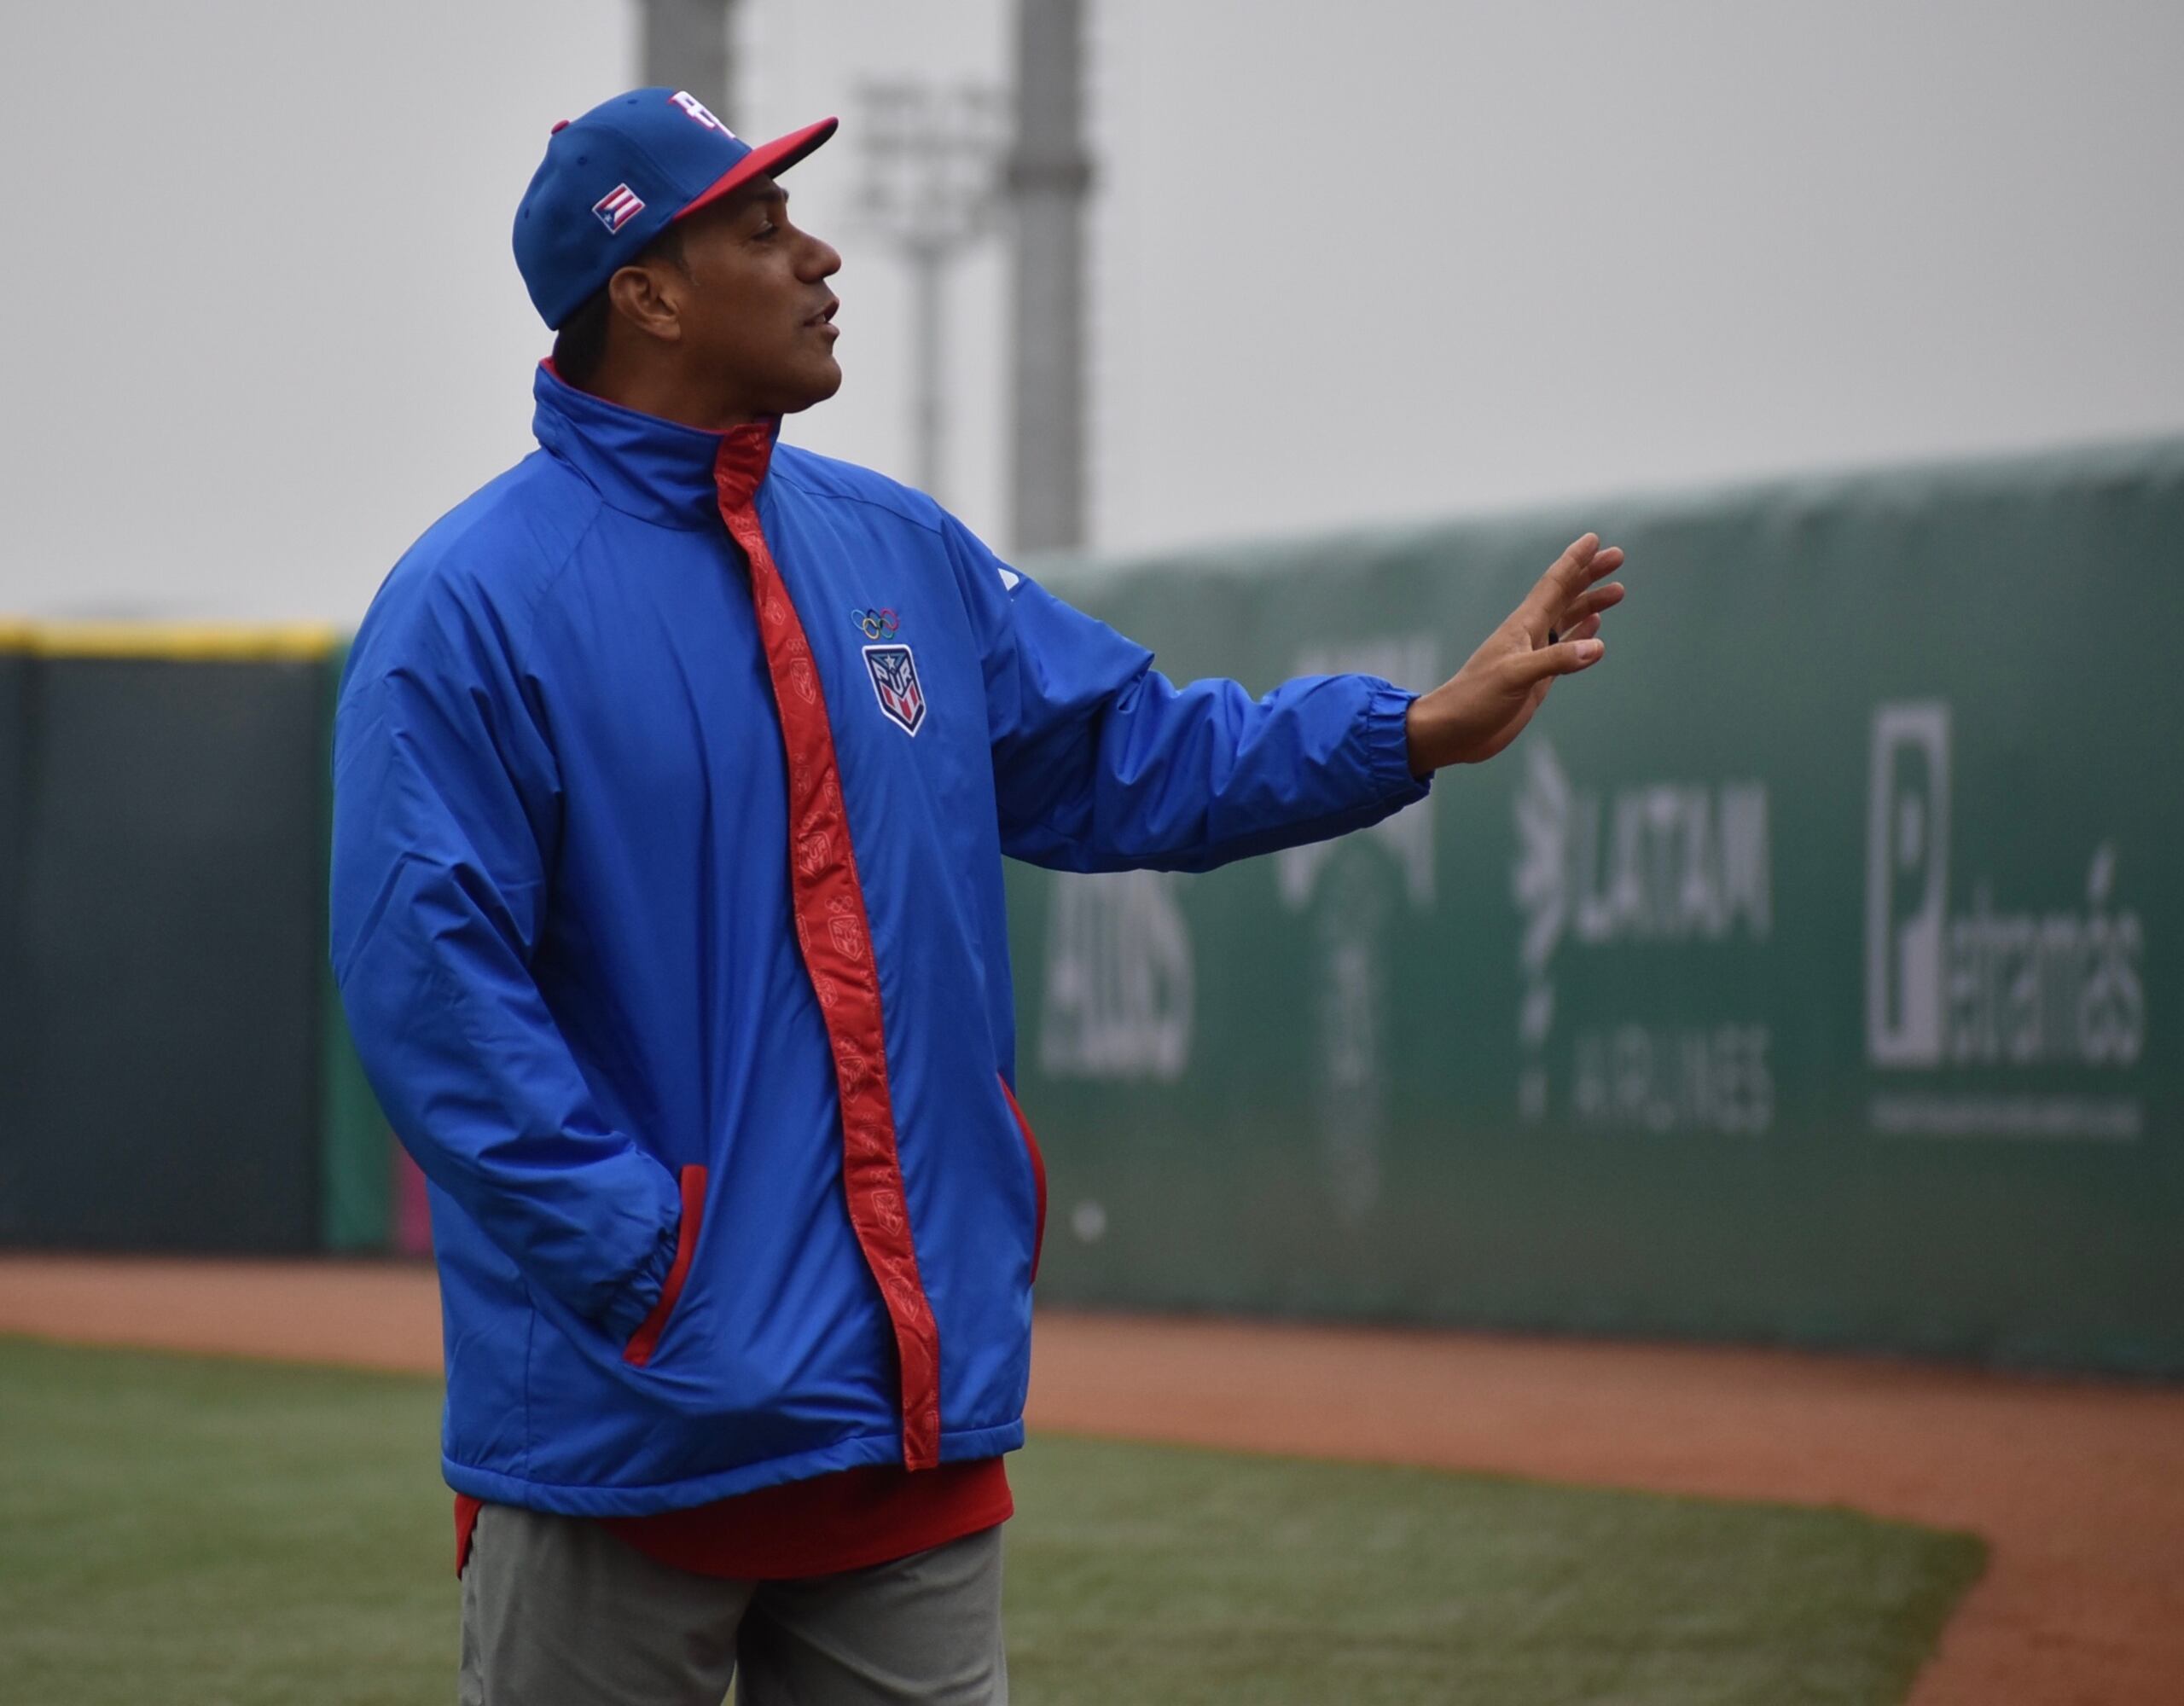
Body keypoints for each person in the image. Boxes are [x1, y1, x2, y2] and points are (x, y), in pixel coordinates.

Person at [328, 87, 1626, 1706]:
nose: (819, 256)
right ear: (645, 291)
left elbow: (1127, 752)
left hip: (900, 1415)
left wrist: (1409, 729)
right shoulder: (471, 603)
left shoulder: (893, 548)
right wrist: (647, 1263)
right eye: (759, 229)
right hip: (631, 1425)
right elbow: (426, 986)